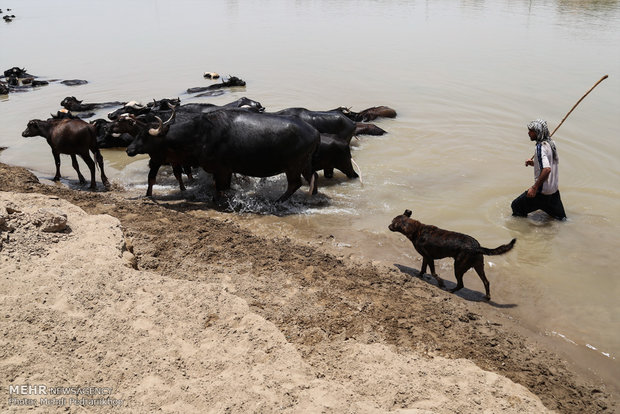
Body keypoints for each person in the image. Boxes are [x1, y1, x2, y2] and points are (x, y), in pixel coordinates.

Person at [511, 119, 566, 220]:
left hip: (542, 192)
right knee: (561, 219)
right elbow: (549, 164)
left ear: (538, 132)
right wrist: (535, 163)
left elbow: (547, 169)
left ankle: (523, 231)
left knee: (516, 206)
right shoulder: (552, 143)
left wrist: (534, 188)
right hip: (554, 191)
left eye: (531, 131)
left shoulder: (540, 147)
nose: (529, 133)